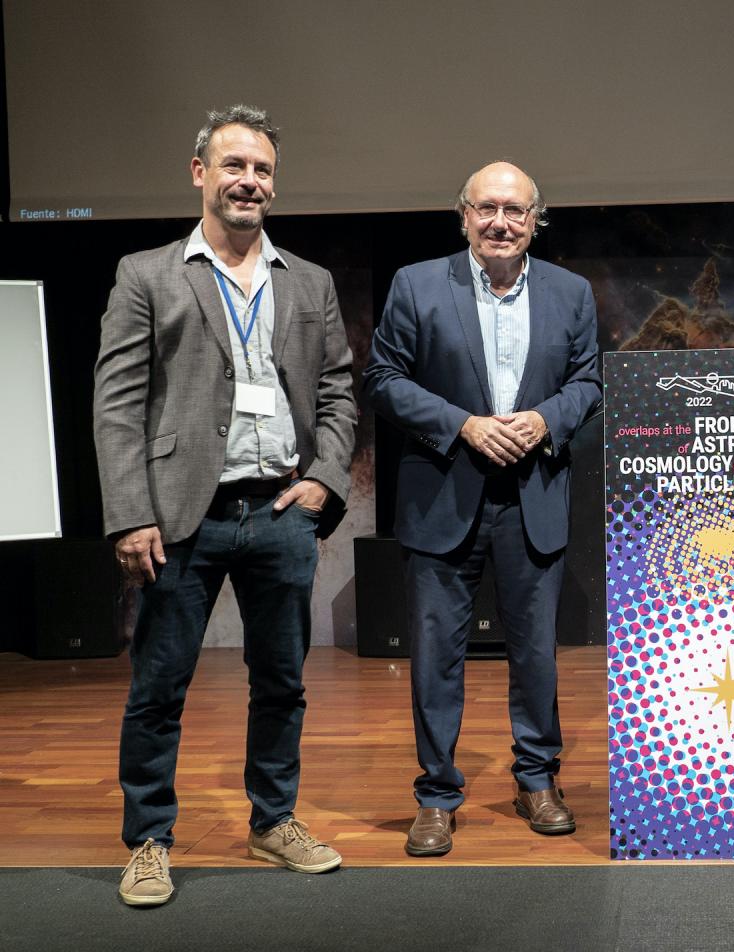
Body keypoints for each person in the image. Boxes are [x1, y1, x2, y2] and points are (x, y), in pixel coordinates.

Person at [93, 105, 357, 906]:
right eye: (235, 165)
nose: (251, 181)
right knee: (159, 687)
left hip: (280, 513)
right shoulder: (147, 273)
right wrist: (130, 512)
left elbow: (340, 389)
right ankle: (147, 841)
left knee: (281, 681)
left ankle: (273, 821)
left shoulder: (309, 281)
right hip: (182, 517)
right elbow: (117, 404)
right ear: (200, 172)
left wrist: (326, 480)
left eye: (264, 170)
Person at [364, 161, 601, 857]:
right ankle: (436, 795)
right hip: (444, 494)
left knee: (536, 656)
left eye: (516, 211)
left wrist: (545, 419)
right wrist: (464, 425)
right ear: (462, 215)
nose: (501, 222)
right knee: (437, 656)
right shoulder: (416, 283)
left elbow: (588, 380)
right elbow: (383, 379)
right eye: (488, 209)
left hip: (534, 500)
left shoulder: (572, 292)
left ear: (536, 221)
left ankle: (538, 779)